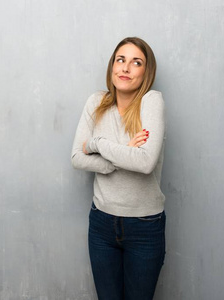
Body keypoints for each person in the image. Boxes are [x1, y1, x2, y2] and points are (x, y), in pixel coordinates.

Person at [71, 37, 166, 300]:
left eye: (136, 63)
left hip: (145, 226)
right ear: (112, 66)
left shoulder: (151, 101)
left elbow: (145, 163)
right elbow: (78, 157)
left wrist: (98, 143)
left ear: (146, 72)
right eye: (120, 60)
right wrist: (124, 152)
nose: (125, 68)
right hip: (101, 223)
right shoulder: (96, 102)